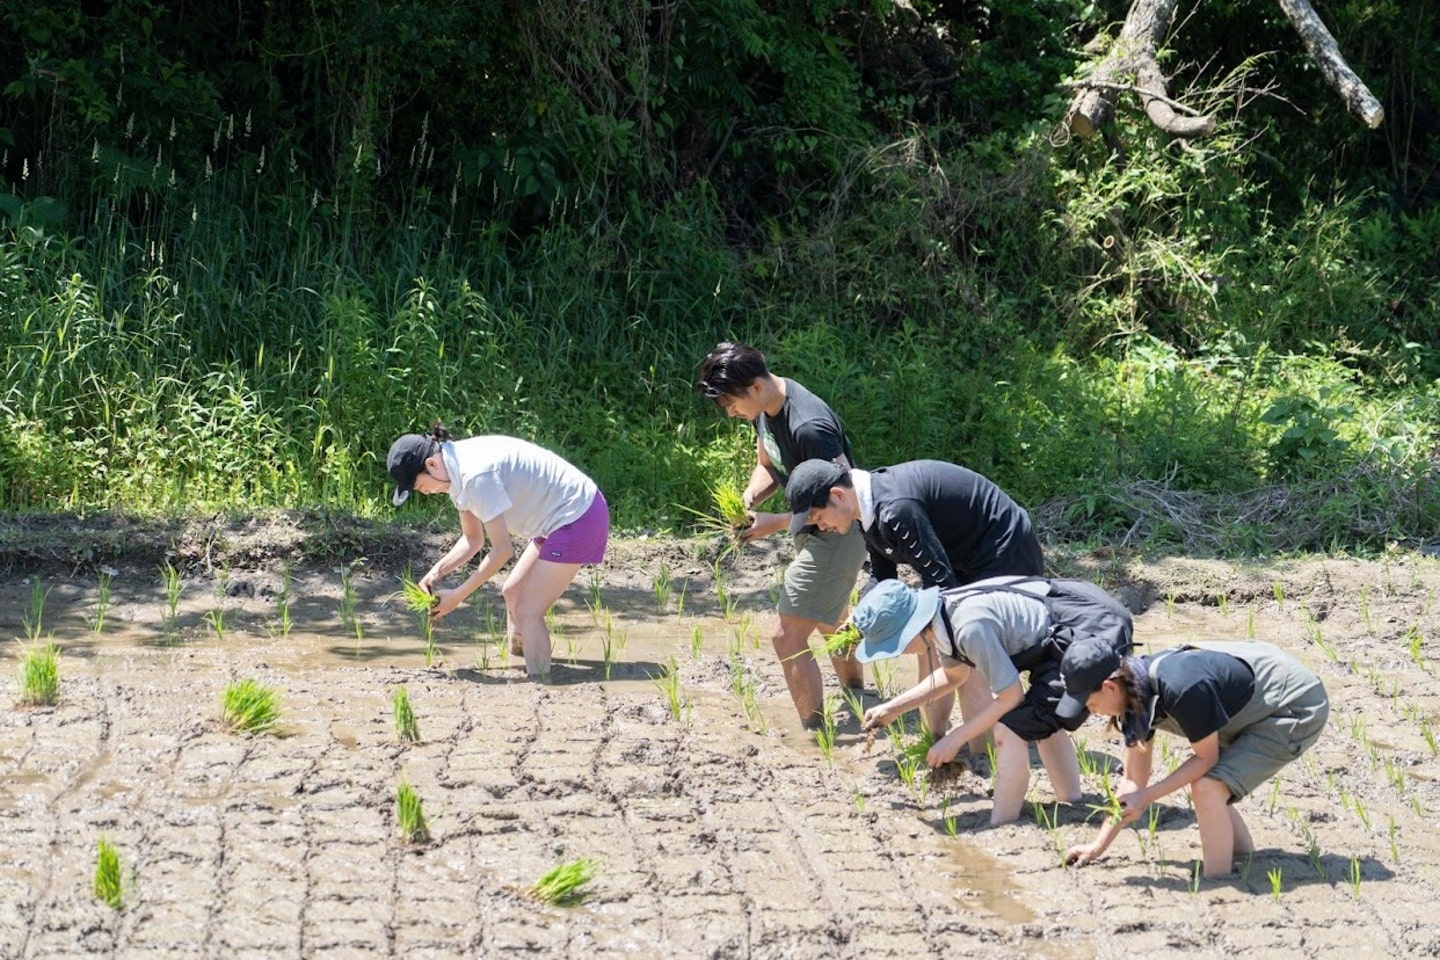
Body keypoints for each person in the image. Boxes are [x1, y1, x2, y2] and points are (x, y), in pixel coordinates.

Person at [852, 577, 1127, 824]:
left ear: (911, 629)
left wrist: (955, 738)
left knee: (1010, 729)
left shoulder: (969, 627)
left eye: (894, 644)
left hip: (1087, 632)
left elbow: (1010, 697)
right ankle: (1070, 804)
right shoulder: (942, 618)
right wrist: (893, 708)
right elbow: (954, 676)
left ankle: (1003, 821)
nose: (898, 653)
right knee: (1040, 717)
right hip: (1059, 638)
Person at [696, 341, 868, 728]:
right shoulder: (766, 407)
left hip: (837, 534)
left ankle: (815, 734)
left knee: (786, 637)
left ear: (755, 387)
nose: (731, 413)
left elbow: (841, 500)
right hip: (815, 530)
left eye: (731, 404)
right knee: (832, 622)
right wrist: (751, 497)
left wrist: (771, 522)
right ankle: (859, 696)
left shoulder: (809, 426)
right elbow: (769, 464)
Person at [1058, 637, 1329, 878]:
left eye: (1091, 705)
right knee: (1213, 786)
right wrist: (1098, 846)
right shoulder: (1135, 696)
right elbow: (1132, 782)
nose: (1092, 713)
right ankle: (1245, 860)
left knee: (1208, 786)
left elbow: (1205, 760)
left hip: (1294, 704)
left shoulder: (1180, 687)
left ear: (1110, 687)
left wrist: (1148, 796)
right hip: (1248, 702)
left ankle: (1218, 882)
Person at [387, 423, 609, 679]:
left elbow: (503, 550)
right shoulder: (456, 473)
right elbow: (472, 540)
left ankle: (541, 688)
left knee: (528, 611)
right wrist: (435, 573)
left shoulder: (476, 476)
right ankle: (521, 664)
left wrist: (458, 595)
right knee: (512, 591)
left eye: (418, 486)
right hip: (554, 521)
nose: (423, 493)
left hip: (578, 517)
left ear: (431, 465)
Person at [784, 458, 1043, 595]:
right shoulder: (866, 508)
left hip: (1004, 548)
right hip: (967, 557)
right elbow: (882, 577)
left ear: (838, 495)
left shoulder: (896, 510)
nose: (822, 526)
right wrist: (861, 617)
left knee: (989, 643)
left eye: (818, 517)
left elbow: (941, 584)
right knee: (950, 639)